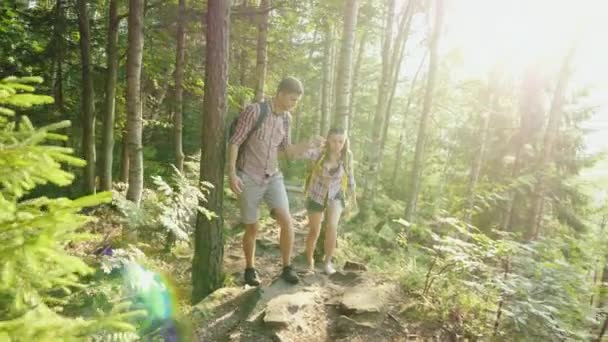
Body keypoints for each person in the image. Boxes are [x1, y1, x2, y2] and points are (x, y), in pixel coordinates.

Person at [228, 76, 324, 286]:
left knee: (287, 221)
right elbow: (235, 142)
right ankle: (250, 268)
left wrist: (308, 144)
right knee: (252, 228)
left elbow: (287, 152)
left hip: (273, 177)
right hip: (249, 176)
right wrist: (232, 174)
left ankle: (287, 267)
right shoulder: (255, 111)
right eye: (292, 99)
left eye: (297, 100)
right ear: (280, 94)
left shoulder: (287, 119)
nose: (294, 104)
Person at [303, 127, 357, 275]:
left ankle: (327, 263)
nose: (337, 144)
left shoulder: (347, 156)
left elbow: (350, 176)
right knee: (314, 230)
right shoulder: (319, 153)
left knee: (332, 227)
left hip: (336, 194)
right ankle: (309, 263)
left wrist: (353, 197)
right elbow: (302, 153)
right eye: (333, 140)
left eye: (341, 141)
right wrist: (311, 142)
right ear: (328, 139)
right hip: (316, 194)